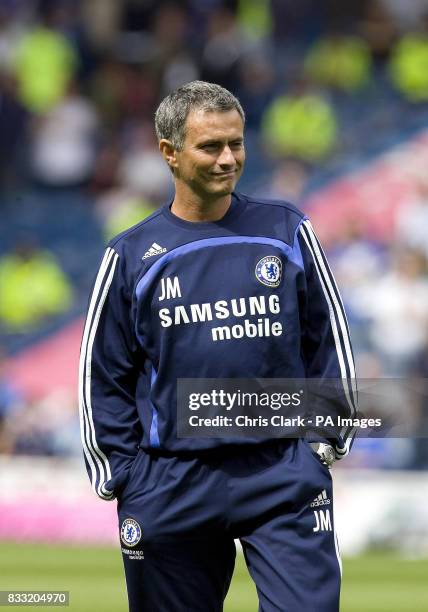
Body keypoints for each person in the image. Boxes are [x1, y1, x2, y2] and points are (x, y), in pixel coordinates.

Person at [79, 81, 356, 612]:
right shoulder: (130, 254)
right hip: (171, 481)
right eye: (211, 146)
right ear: (169, 153)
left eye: (237, 143)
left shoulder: (286, 229)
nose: (228, 159)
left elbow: (330, 340)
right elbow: (102, 375)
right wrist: (124, 474)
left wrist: (324, 438)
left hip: (280, 472)